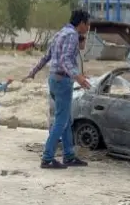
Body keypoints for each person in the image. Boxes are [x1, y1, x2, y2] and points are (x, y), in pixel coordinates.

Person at [38, 9, 91, 169]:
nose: (88, 28)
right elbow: (65, 59)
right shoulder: (72, 35)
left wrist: (33, 71)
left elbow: (47, 56)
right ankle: (47, 158)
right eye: (88, 24)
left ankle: (69, 155)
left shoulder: (60, 33)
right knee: (61, 121)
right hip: (62, 81)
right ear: (81, 23)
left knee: (66, 119)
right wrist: (78, 77)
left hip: (54, 79)